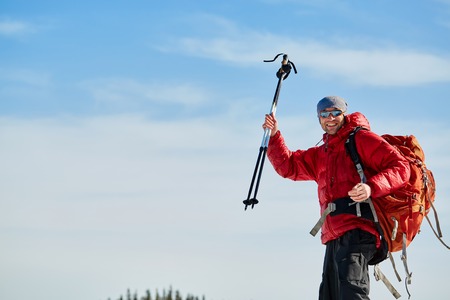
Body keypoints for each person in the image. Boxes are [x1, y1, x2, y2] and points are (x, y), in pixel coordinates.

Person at [262, 96, 410, 300]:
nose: (330, 118)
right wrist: (275, 134)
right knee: (330, 295)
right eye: (324, 114)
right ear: (319, 118)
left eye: (335, 113)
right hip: (333, 236)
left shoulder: (362, 139)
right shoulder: (322, 153)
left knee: (351, 291)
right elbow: (288, 166)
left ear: (344, 114)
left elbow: (401, 167)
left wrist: (371, 187)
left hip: (359, 230)